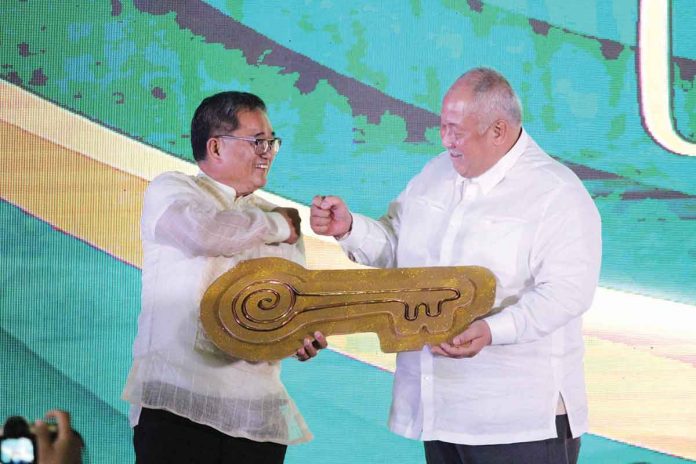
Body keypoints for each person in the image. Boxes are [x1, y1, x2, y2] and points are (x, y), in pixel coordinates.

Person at [310, 67, 601, 464]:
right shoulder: (435, 173)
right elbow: (400, 250)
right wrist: (350, 229)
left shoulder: (556, 193)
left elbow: (568, 292)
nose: (446, 140)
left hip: (517, 424)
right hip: (440, 412)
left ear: (499, 130)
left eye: (456, 130)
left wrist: (491, 331)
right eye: (443, 127)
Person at [122, 91, 326, 464]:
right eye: (257, 141)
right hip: (176, 408)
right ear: (215, 147)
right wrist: (280, 223)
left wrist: (298, 334)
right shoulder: (173, 189)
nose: (268, 152)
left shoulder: (280, 221)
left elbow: (288, 306)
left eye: (271, 142)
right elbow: (204, 233)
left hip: (255, 419)